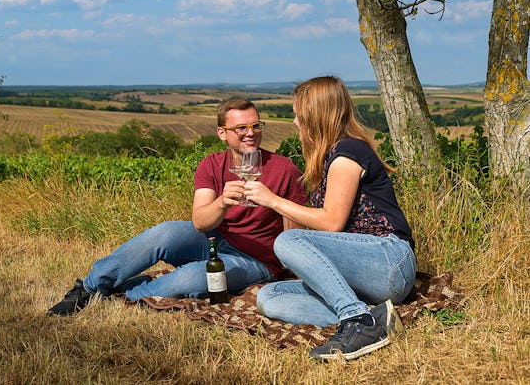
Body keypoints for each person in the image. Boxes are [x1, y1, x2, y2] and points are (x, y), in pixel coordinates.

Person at [48, 97, 308, 316]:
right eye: (241, 128)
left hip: (255, 260)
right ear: (222, 133)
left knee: (193, 277)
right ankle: (89, 288)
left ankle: (125, 293)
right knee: (164, 232)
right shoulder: (211, 164)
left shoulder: (284, 170)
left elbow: (292, 237)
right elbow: (200, 223)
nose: (250, 133)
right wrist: (222, 203)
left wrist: (274, 203)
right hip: (215, 239)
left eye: (255, 125)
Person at [243, 76, 417, 360]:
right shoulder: (332, 156)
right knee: (269, 297)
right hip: (364, 273)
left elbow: (331, 223)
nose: (296, 123)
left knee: (288, 240)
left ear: (316, 117)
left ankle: (357, 321)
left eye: (299, 116)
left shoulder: (348, 153)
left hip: (389, 260)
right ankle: (373, 316)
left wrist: (272, 201)